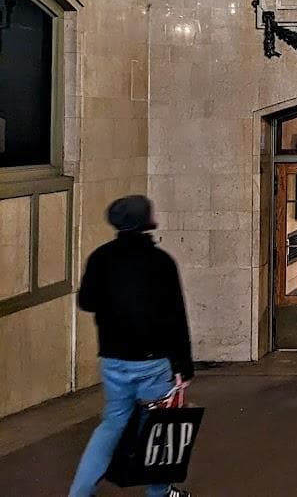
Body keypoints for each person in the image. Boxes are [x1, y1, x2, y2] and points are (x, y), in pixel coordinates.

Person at [69, 195, 193, 497]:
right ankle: (159, 493)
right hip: (153, 361)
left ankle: (79, 492)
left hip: (113, 358)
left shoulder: (100, 257)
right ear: (144, 220)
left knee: (111, 424)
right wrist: (183, 366)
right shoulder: (160, 262)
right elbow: (175, 317)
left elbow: (86, 302)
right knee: (159, 428)